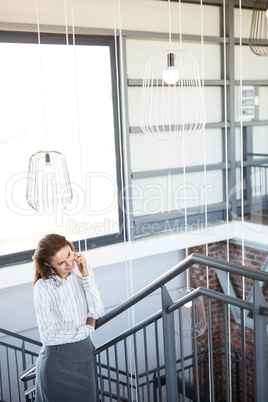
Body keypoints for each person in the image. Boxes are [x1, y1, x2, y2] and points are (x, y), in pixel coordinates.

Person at [33, 233, 104, 402]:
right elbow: (48, 336)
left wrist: (85, 274)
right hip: (56, 363)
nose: (69, 263)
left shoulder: (82, 273)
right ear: (48, 264)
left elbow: (97, 312)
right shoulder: (43, 287)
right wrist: (85, 330)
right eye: (61, 263)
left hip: (84, 357)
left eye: (69, 255)